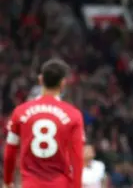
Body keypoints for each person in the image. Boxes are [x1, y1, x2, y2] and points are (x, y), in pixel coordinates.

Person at [3, 59, 85, 188]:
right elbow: (78, 157)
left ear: (40, 80)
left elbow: (10, 152)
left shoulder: (20, 112)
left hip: (30, 184)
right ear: (63, 83)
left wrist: (7, 181)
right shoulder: (73, 115)